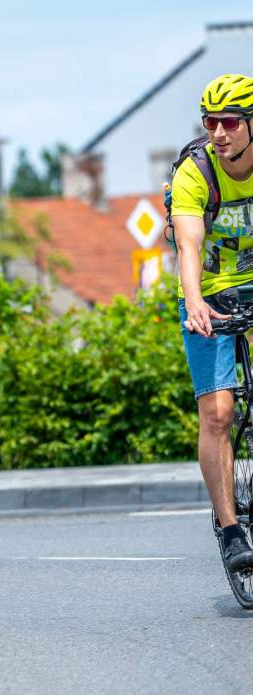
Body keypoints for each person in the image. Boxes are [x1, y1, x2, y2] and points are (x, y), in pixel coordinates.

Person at [173, 75, 253, 571]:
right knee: (218, 413)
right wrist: (195, 300)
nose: (218, 132)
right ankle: (229, 530)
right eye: (210, 122)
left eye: (229, 122)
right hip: (210, 289)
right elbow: (188, 245)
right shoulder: (195, 172)